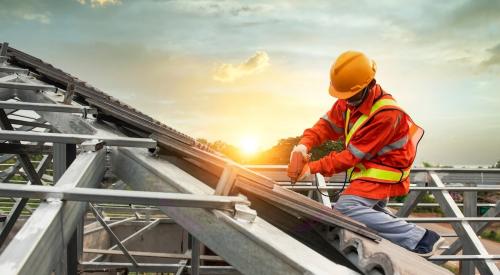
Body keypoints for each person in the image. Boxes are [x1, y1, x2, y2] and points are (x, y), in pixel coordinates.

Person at [289, 50, 444, 256]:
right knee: (371, 215)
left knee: (347, 208)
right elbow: (325, 125)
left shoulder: (387, 114)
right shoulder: (349, 100)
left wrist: (312, 168)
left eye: (351, 96)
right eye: (344, 96)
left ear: (369, 85)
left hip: (384, 172)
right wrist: (304, 146)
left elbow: (351, 156)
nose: (346, 101)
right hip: (368, 171)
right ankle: (400, 243)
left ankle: (421, 238)